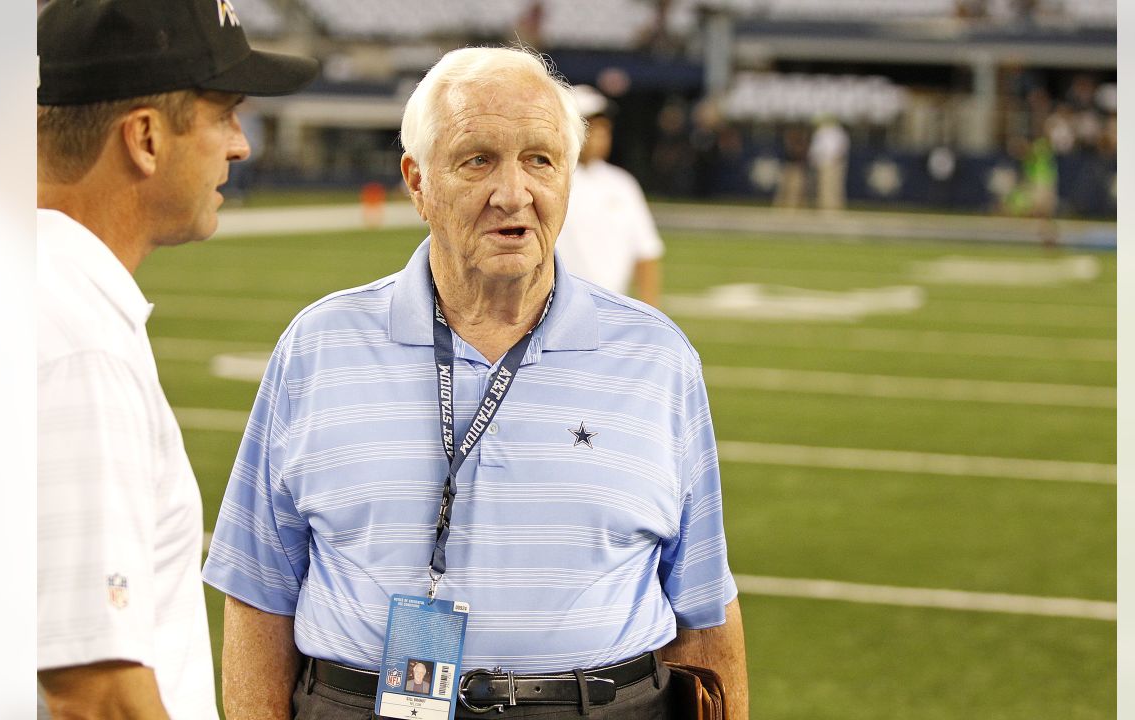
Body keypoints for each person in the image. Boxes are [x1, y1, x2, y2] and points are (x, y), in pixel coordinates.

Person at [202, 46, 749, 720]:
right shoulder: (318, 347)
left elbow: (705, 609)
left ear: (569, 179)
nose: (513, 193)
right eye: (477, 160)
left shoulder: (657, 357)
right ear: (417, 182)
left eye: (540, 160)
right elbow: (258, 591)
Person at [35, 1, 319, 718]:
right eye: (224, 112)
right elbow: (95, 693)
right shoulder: (76, 339)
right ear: (146, 138)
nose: (240, 144)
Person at [555, 85, 664, 307]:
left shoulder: (622, 184)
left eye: (603, 128)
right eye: (590, 127)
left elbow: (646, 252)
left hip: (611, 311)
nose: (599, 135)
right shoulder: (551, 180)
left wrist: (649, 314)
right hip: (557, 309)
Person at [808, 114, 850, 211]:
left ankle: (834, 208)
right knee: (823, 187)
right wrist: (815, 160)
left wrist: (833, 160)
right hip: (822, 163)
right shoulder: (821, 132)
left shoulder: (838, 132)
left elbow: (841, 148)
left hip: (834, 163)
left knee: (834, 187)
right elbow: (815, 148)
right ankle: (824, 207)